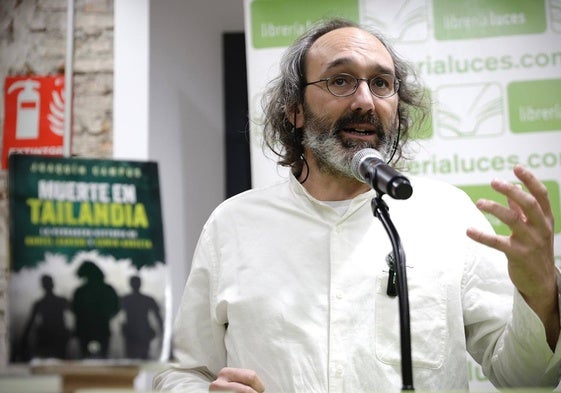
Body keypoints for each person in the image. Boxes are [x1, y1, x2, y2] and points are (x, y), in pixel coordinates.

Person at [154, 18, 561, 392]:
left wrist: (540, 291)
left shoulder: (448, 215)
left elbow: (527, 376)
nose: (365, 100)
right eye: (341, 81)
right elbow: (181, 372)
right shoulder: (233, 224)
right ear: (294, 110)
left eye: (382, 83)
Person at [72, 260, 120, 358]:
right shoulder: (107, 289)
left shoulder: (80, 291)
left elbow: (75, 309)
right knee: (103, 359)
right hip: (101, 328)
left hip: (85, 329)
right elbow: (116, 307)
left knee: (85, 359)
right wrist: (105, 316)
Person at [121, 275, 164, 359]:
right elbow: (158, 316)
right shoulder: (146, 299)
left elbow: (158, 316)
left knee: (135, 357)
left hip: (138, 331)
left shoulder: (126, 299)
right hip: (137, 331)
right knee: (137, 357)